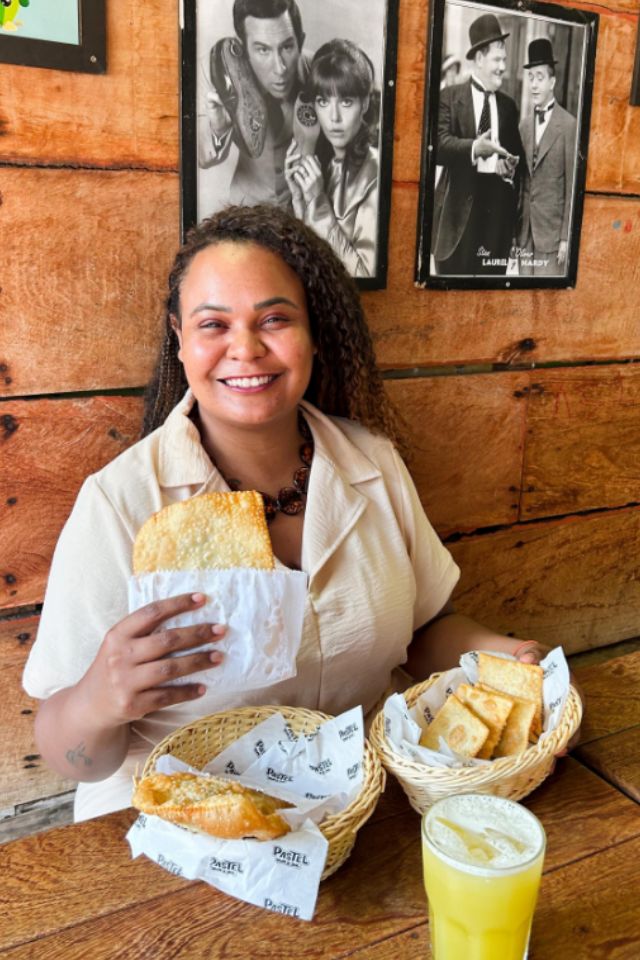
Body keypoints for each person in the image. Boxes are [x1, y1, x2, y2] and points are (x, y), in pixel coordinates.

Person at [23, 204, 548, 822]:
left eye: (274, 318)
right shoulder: (121, 503)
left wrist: (510, 663)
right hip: (176, 839)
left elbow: (429, 628)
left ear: (312, 334)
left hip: (357, 812)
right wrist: (98, 699)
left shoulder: (374, 463)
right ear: (180, 338)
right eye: (212, 324)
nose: (245, 348)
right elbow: (68, 756)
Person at [431, 13, 525, 276]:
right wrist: (475, 148)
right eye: (498, 59)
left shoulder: (509, 107)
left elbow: (514, 156)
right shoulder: (449, 97)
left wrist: (509, 166)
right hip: (457, 222)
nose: (503, 67)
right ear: (480, 58)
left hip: (495, 222)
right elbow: (438, 146)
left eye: (504, 60)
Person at [198, 0, 311, 210]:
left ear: (300, 42)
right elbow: (201, 158)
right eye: (263, 50)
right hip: (247, 211)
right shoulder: (215, 74)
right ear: (243, 50)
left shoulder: (319, 72)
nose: (280, 68)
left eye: (287, 47)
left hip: (305, 217)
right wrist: (219, 128)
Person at [284, 39, 379, 278]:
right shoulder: (321, 165)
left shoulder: (375, 173)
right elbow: (303, 266)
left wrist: (318, 203)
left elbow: (363, 275)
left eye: (346, 102)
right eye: (323, 101)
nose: (333, 117)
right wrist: (298, 198)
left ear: (365, 103)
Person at [517, 38, 577, 277]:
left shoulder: (569, 125)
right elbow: (521, 183)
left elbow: (571, 186)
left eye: (540, 77)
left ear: (552, 81)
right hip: (524, 235)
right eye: (531, 77)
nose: (534, 84)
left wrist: (565, 237)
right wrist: (515, 234)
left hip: (552, 239)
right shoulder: (523, 126)